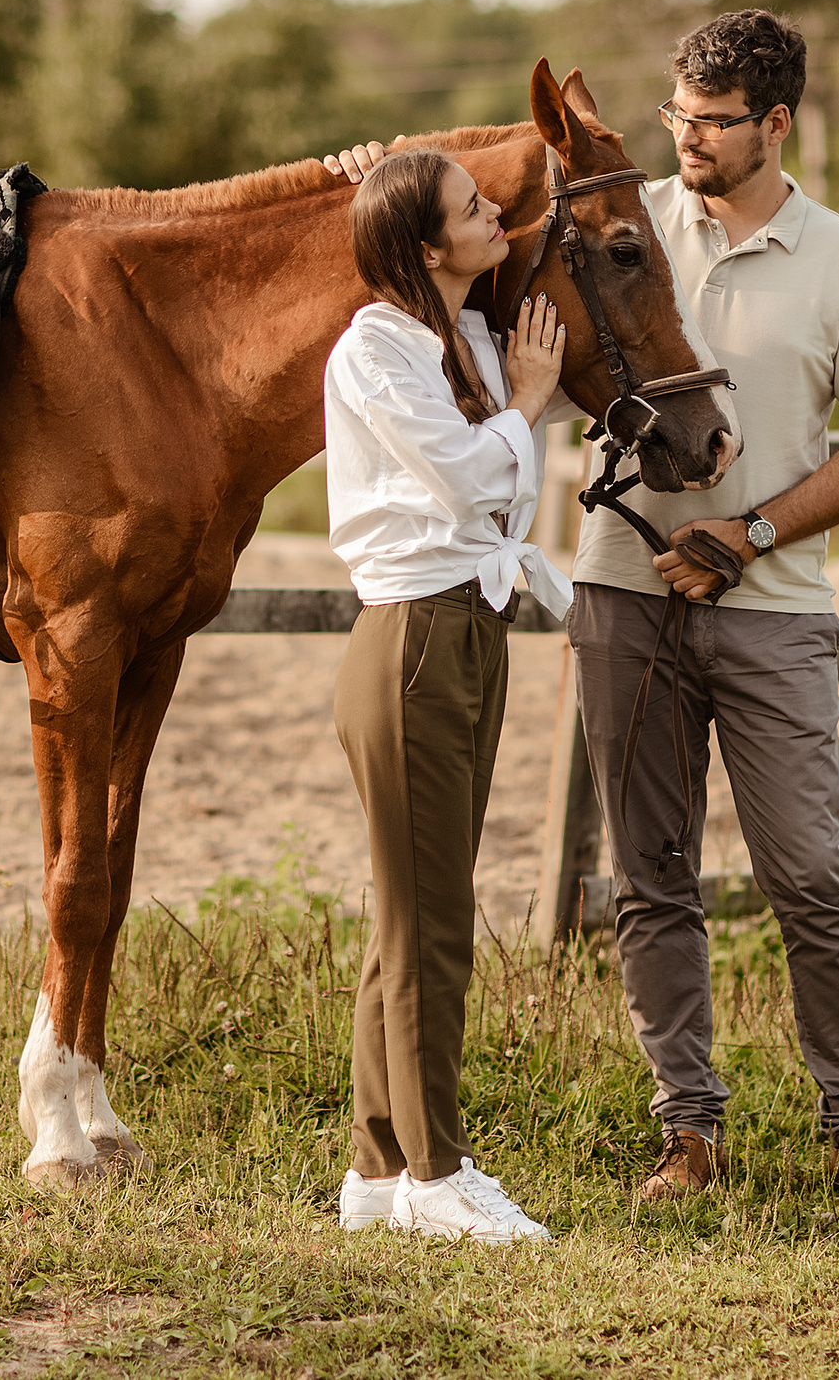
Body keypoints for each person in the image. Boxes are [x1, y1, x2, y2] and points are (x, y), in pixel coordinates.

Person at [325, 9, 839, 1213]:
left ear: (774, 124)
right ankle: (686, 1133)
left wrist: (746, 535)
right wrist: (363, 182)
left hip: (772, 603)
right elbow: (445, 241)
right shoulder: (617, 219)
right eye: (676, 118)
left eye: (710, 123)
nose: (687, 140)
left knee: (809, 874)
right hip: (620, 592)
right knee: (648, 877)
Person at [323, 147, 574, 1244]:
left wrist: (518, 397)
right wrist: (523, 403)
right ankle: (438, 1171)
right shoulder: (376, 348)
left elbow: (510, 459)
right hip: (413, 637)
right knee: (431, 924)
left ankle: (378, 1173)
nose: (495, 216)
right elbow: (473, 476)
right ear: (427, 249)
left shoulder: (470, 334)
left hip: (476, 627)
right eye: (473, 210)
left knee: (409, 915)